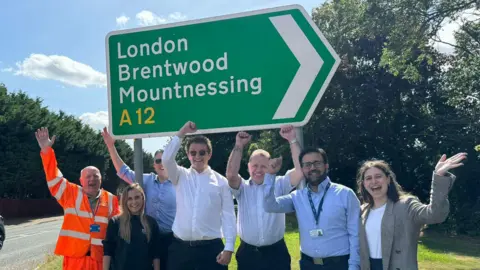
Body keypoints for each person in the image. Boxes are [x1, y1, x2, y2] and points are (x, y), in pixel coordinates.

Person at [356, 153, 467, 270]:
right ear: (364, 184)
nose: (374, 181)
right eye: (368, 178)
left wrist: (439, 177)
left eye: (378, 176)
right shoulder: (361, 211)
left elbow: (435, 215)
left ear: (388, 179)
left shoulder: (406, 205)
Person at [35, 127, 120, 270]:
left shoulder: (112, 199)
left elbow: (119, 228)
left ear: (101, 179)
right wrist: (46, 152)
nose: (92, 179)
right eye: (88, 176)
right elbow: (53, 177)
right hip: (75, 260)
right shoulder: (70, 193)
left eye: (96, 176)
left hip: (100, 260)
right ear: (81, 180)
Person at [264, 147, 360, 270]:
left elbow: (356, 234)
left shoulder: (345, 194)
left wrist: (354, 266)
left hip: (339, 264)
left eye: (317, 163)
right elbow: (269, 206)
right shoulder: (297, 197)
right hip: (308, 264)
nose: (312, 168)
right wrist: (270, 176)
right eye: (307, 164)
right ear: (302, 169)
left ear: (326, 166)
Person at [225, 125, 303, 270]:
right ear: (248, 167)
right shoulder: (242, 187)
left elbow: (300, 170)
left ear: (270, 166)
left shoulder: (280, 183)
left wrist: (292, 139)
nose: (258, 170)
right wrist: (238, 146)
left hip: (276, 253)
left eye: (263, 166)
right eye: (255, 166)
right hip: (248, 254)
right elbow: (230, 175)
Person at [161, 121, 236, 270]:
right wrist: (182, 132)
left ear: (209, 154)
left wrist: (229, 247)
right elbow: (166, 159)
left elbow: (229, 216)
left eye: (202, 152)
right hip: (180, 249)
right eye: (193, 152)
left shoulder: (221, 182)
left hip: (211, 250)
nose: (197, 156)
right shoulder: (179, 175)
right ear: (188, 155)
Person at [101, 127, 175, 270]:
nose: (162, 163)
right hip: (145, 236)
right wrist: (111, 146)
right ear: (154, 165)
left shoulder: (179, 183)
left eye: (165, 159)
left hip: (171, 241)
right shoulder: (146, 180)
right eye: (158, 160)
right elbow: (123, 172)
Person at [102, 183, 162, 270]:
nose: (134, 202)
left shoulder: (151, 223)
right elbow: (108, 252)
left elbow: (156, 253)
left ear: (142, 198)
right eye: (129, 199)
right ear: (125, 201)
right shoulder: (115, 222)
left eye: (137, 197)